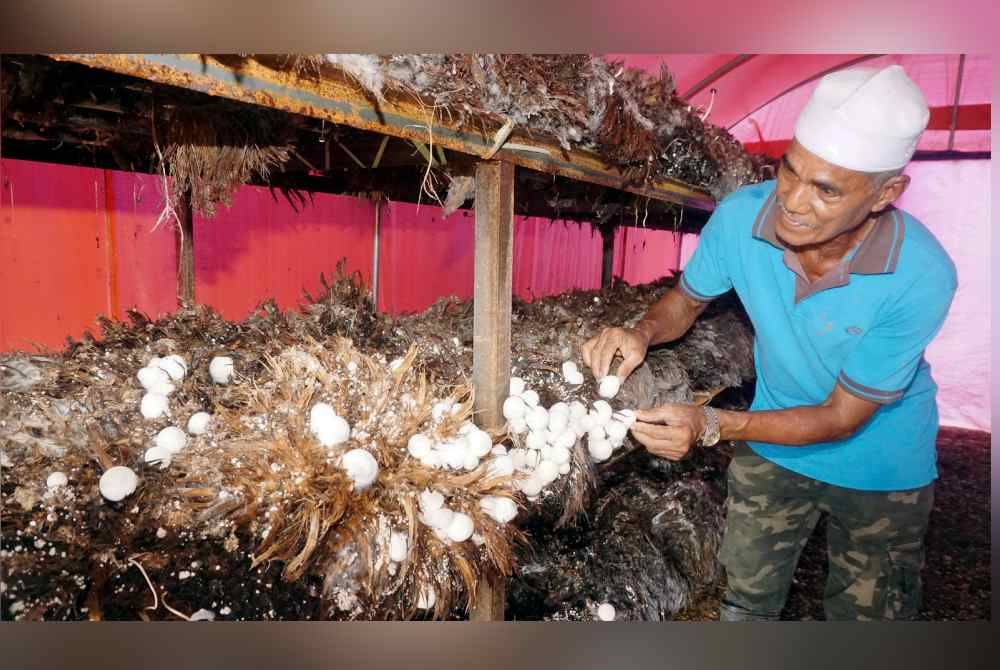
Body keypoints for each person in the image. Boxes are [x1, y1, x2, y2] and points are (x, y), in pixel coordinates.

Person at [581, 65, 957, 621]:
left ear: (887, 193)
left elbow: (842, 416)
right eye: (790, 171)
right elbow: (684, 302)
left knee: (870, 617)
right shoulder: (741, 219)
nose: (794, 202)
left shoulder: (921, 273)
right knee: (743, 601)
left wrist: (712, 424)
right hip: (775, 440)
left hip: (881, 463)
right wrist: (640, 331)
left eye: (826, 189)